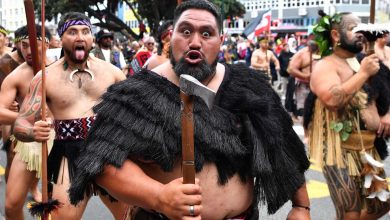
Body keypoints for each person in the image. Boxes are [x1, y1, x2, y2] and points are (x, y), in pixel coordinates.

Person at [68, 1, 311, 219]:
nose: (195, 42)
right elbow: (102, 164)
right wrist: (159, 197)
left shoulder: (249, 86)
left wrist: (301, 207)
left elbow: (284, 146)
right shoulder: (136, 94)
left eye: (207, 33)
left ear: (221, 41)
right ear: (170, 37)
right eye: (186, 31)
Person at [13, 12, 127, 220]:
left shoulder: (112, 73)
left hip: (108, 152)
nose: (80, 37)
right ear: (61, 38)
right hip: (69, 157)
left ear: (92, 38)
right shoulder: (45, 78)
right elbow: (20, 124)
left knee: (132, 215)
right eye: (72, 32)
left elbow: (134, 113)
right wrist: (32, 131)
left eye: (85, 31)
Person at [307, 12, 390, 219]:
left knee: (381, 204)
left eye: (362, 27)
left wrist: (388, 113)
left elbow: (387, 90)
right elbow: (333, 100)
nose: (361, 32)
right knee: (349, 213)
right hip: (339, 152)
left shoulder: (365, 61)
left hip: (369, 150)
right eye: (354, 28)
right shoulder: (325, 66)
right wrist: (363, 74)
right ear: (336, 35)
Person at [2, 24, 52, 220]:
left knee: (63, 209)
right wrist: (25, 118)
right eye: (24, 45)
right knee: (12, 205)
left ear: (47, 44)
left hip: (66, 143)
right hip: (29, 140)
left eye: (35, 45)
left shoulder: (62, 68)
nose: (29, 50)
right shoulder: (15, 75)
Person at [0, 26, 26, 183]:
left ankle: (32, 188)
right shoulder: (5, 63)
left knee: (37, 159)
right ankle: (11, 193)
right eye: (25, 45)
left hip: (38, 117)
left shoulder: (47, 62)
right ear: (18, 44)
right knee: (12, 153)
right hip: (10, 113)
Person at [287, 40, 320, 119]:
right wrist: (305, 76)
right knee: (303, 109)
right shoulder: (301, 54)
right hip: (304, 86)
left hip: (318, 87)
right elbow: (291, 69)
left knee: (315, 110)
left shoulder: (323, 52)